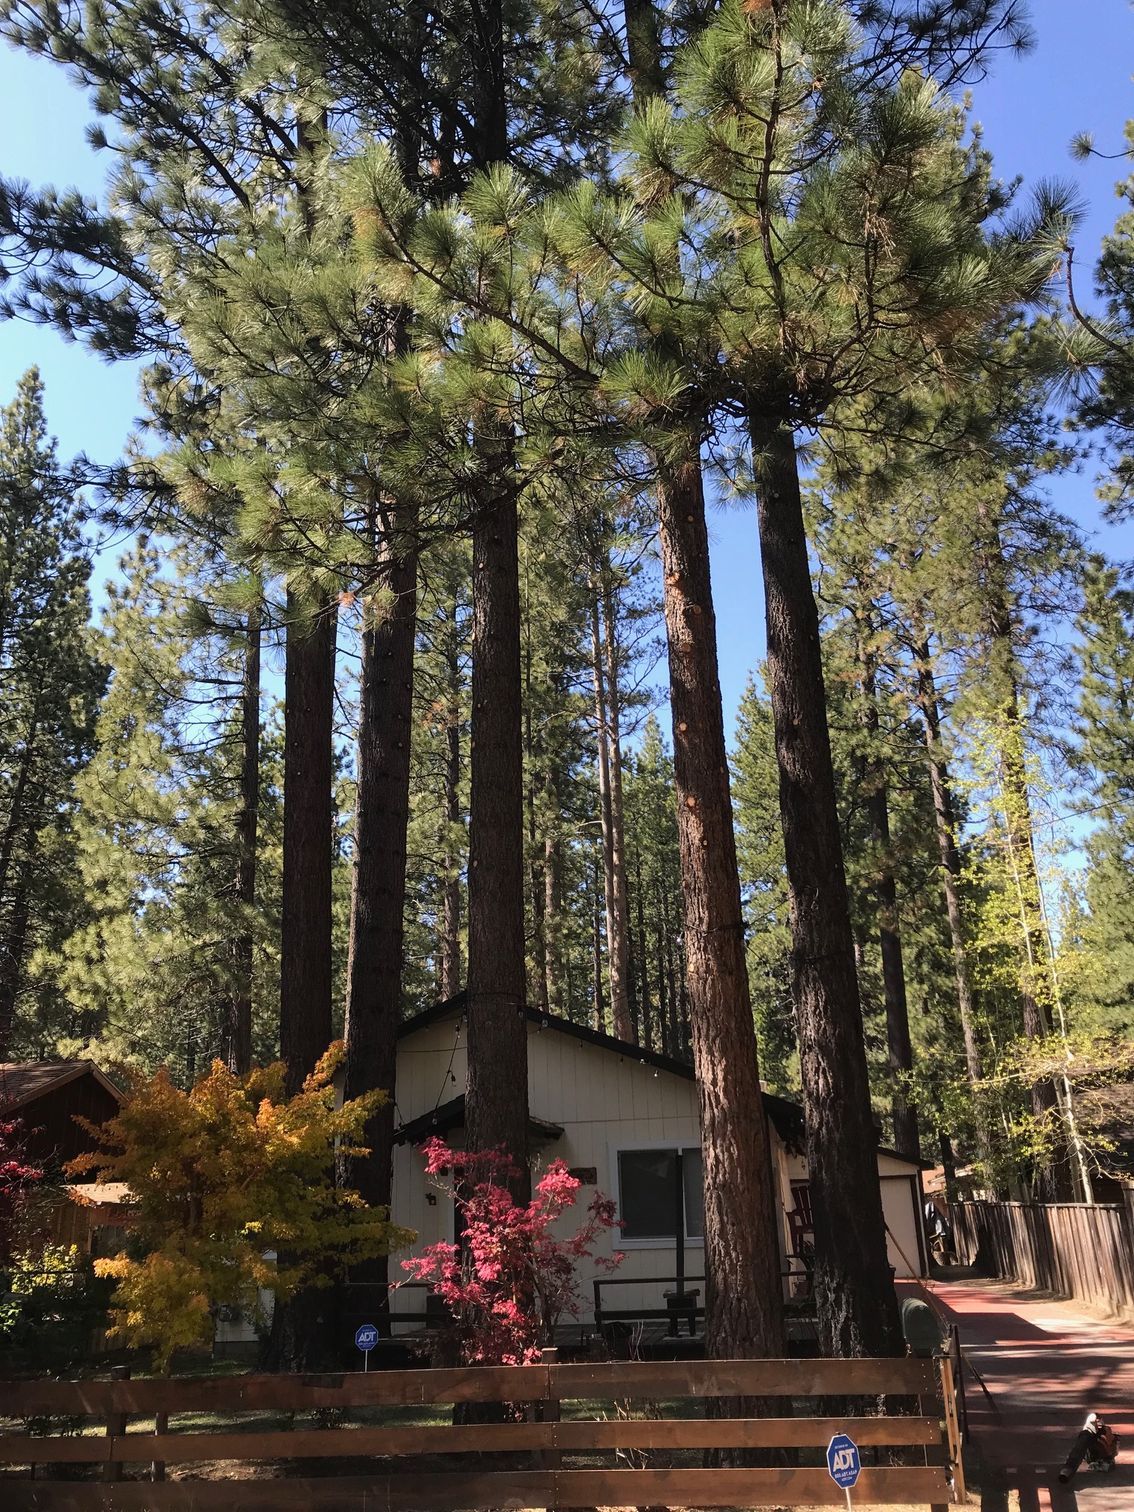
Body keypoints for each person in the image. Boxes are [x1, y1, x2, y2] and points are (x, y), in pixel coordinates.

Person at [1058, 1413, 1119, 1483]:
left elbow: (1111, 1452)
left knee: (1086, 1438)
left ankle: (1067, 1470)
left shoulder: (1106, 1432)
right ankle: (1067, 1471)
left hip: (1098, 1453)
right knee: (1085, 1438)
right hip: (1090, 1449)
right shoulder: (1088, 1435)